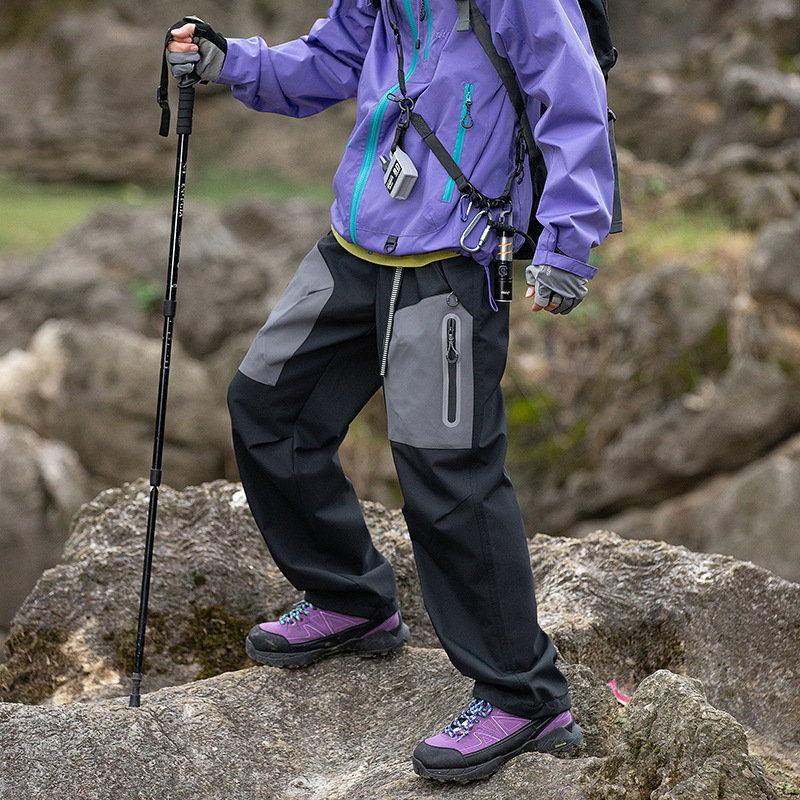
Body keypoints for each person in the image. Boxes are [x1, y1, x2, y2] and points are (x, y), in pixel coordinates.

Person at [166, 0, 613, 782]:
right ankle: (350, 598)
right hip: (358, 239)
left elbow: (570, 94)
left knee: (447, 475)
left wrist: (570, 241)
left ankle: (525, 696)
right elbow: (330, 60)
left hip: (454, 254)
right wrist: (231, 61)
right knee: (268, 405)